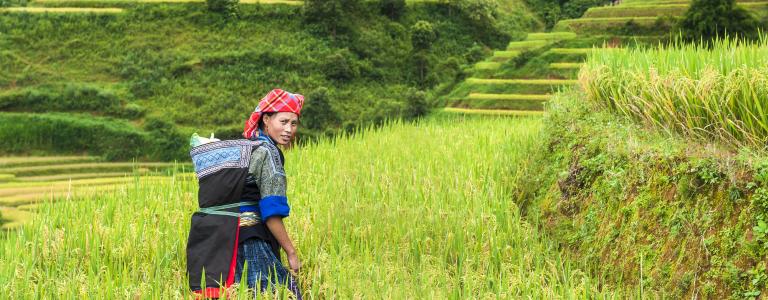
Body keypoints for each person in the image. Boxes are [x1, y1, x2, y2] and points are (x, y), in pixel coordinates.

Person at [186, 88, 304, 299]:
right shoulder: (268, 152)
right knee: (282, 293)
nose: (289, 129)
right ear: (266, 120)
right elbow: (271, 211)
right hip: (251, 242)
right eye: (283, 121)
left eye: (293, 123)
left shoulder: (247, 147)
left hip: (218, 243)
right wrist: (291, 252)